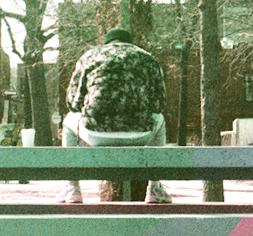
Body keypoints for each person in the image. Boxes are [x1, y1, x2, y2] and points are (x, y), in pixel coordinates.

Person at [58, 28, 171, 204]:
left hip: (96, 134)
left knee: (68, 121)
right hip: (139, 134)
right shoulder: (148, 58)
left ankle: (72, 188)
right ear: (130, 43)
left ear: (107, 42)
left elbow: (73, 102)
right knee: (160, 119)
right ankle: (155, 188)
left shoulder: (90, 56)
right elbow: (160, 104)